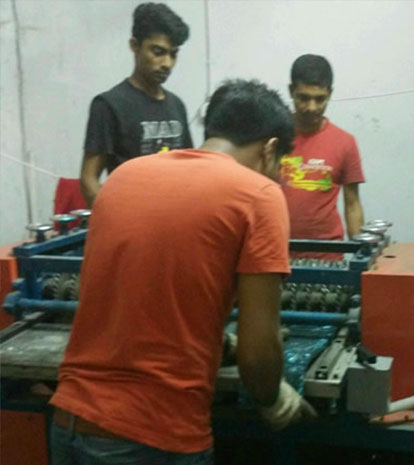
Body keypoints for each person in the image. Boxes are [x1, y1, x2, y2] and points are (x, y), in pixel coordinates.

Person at [50, 79, 317, 465]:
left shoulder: (123, 176)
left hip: (70, 422)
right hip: (155, 437)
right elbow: (258, 355)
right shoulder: (259, 195)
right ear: (269, 149)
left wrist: (220, 344)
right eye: (278, 168)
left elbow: (151, 293)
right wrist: (272, 398)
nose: (277, 179)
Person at [80, 2, 194, 208]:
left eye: (173, 54)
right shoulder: (108, 105)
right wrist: (114, 220)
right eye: (158, 52)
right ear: (135, 46)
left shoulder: (177, 105)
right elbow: (89, 179)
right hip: (131, 218)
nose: (167, 63)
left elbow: (190, 169)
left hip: (176, 218)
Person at [280, 54, 365, 243]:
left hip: (329, 254)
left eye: (320, 99)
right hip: (276, 253)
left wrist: (361, 254)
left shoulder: (345, 142)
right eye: (303, 98)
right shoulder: (271, 138)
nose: (311, 107)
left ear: (330, 94)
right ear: (291, 91)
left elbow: (352, 205)